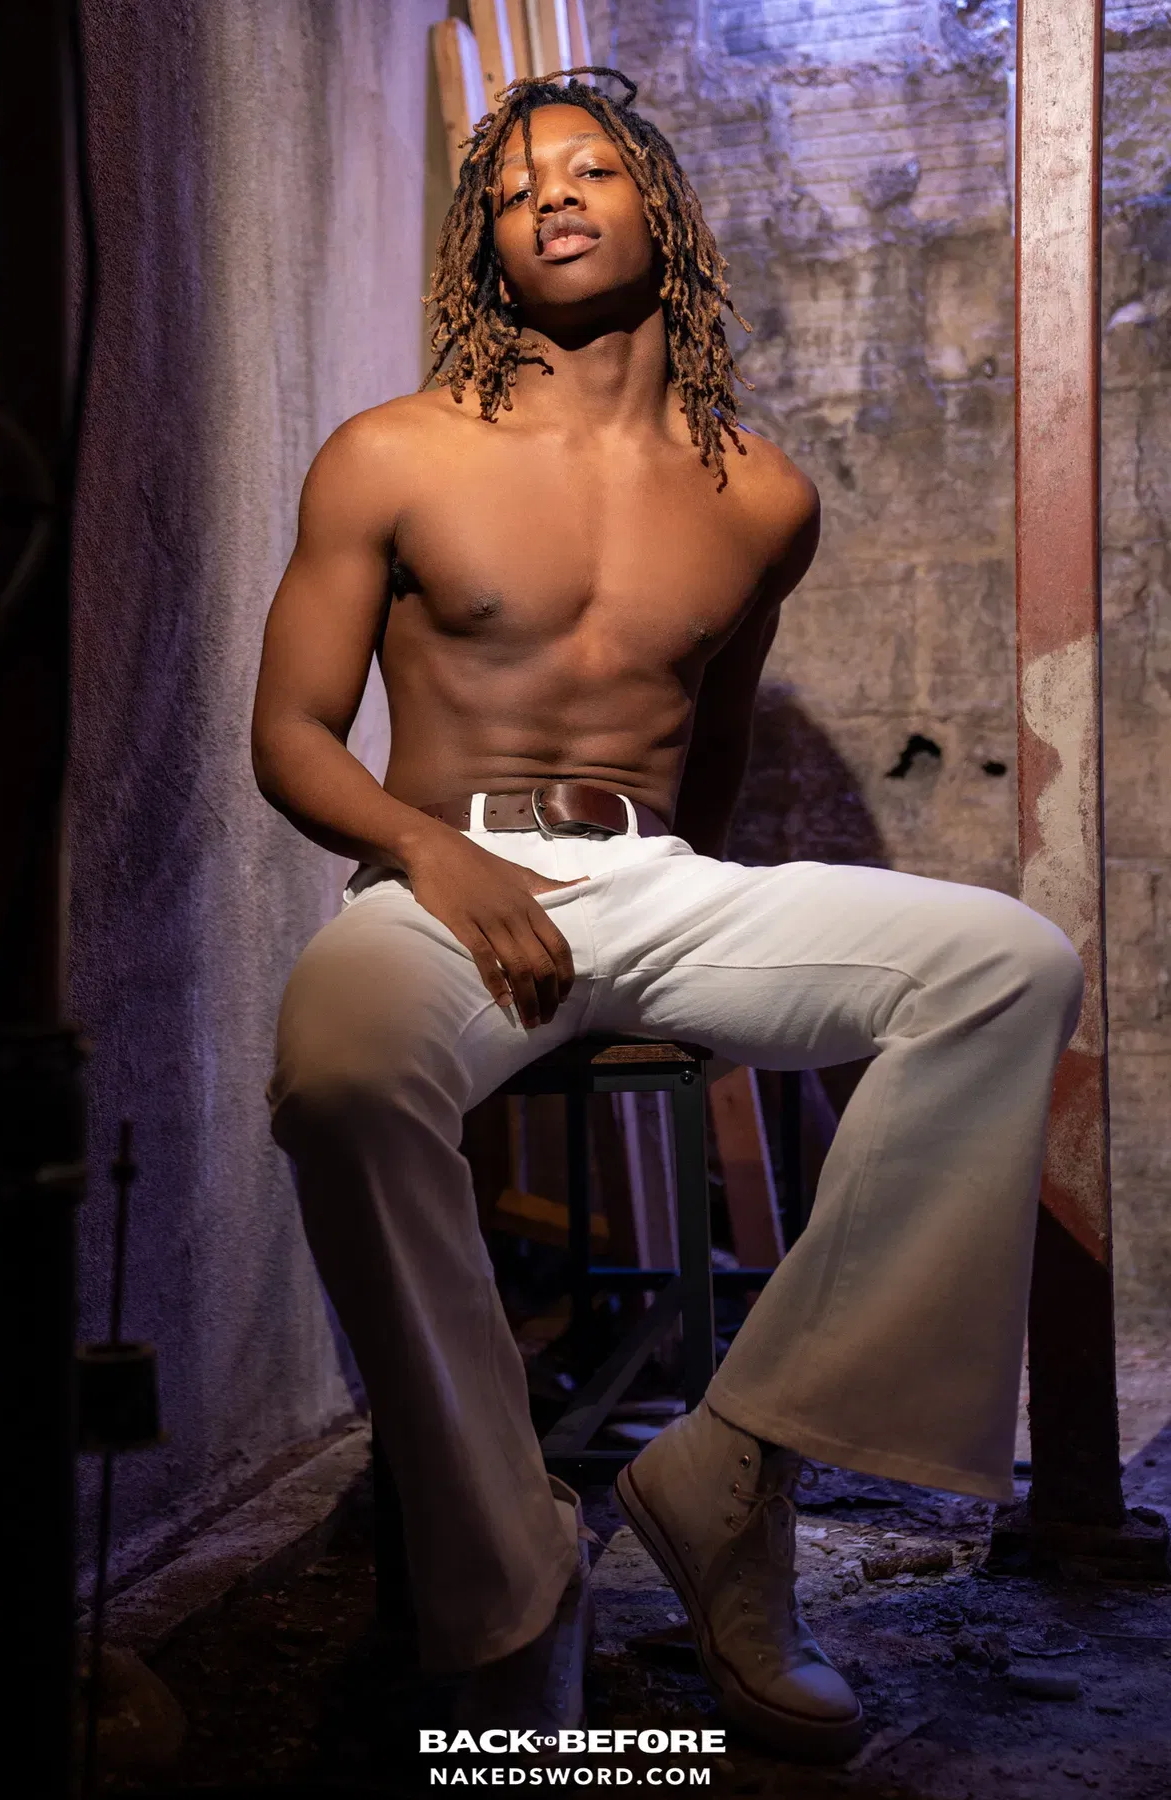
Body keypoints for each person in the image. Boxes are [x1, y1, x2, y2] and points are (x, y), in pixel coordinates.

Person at [251, 69, 1083, 1759]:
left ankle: (733, 1469)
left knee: (1008, 962)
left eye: (587, 170)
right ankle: (516, 1589)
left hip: (658, 880)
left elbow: (710, 751)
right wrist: (431, 852)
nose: (548, 197)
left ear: (663, 214)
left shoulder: (761, 495)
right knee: (338, 1079)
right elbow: (290, 735)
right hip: (444, 880)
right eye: (512, 190)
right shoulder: (394, 452)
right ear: (486, 247)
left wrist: (686, 921)